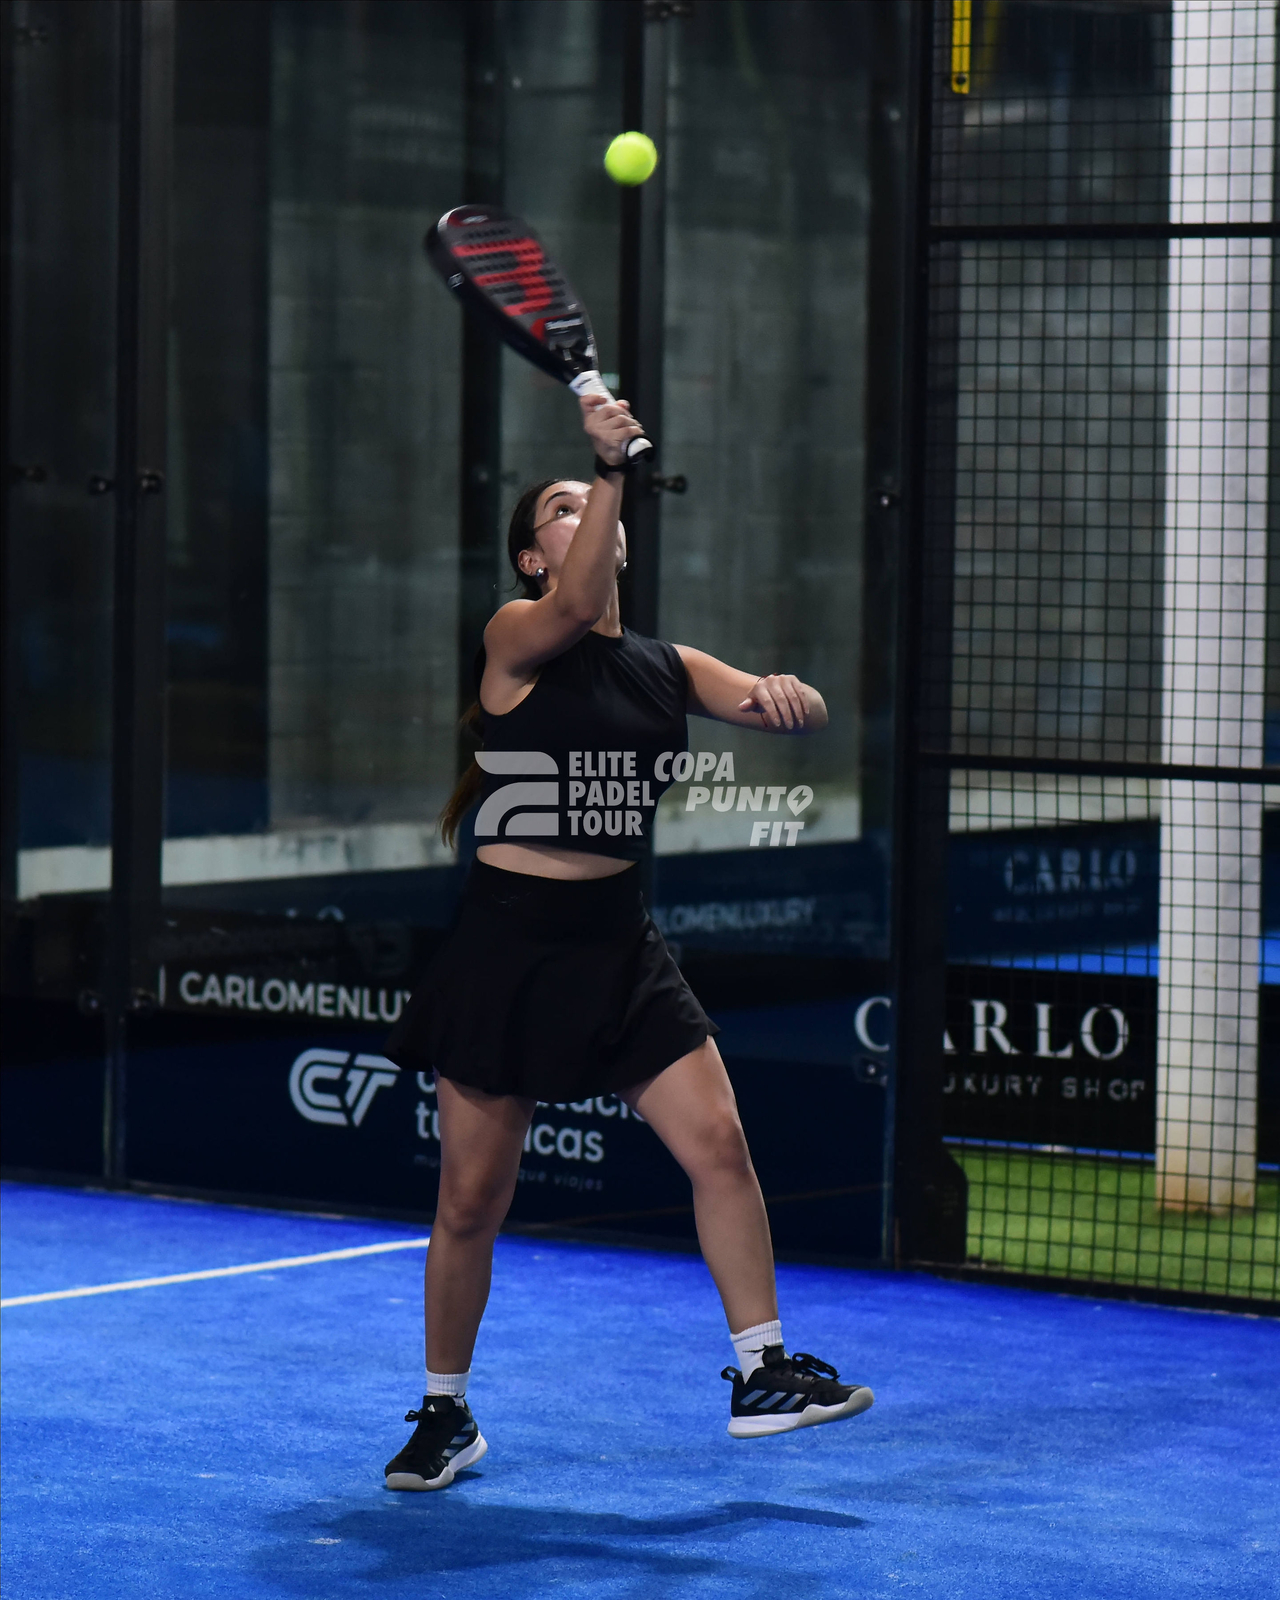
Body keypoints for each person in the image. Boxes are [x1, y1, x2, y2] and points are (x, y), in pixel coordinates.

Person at [380, 391, 873, 1491]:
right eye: (557, 510)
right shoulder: (514, 638)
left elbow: (786, 707)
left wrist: (789, 696)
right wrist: (607, 468)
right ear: (530, 558)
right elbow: (573, 603)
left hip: (618, 946)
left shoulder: (666, 663)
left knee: (720, 1145)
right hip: (507, 950)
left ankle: (763, 1371)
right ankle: (445, 1411)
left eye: (587, 506)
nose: (579, 518)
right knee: (470, 1201)